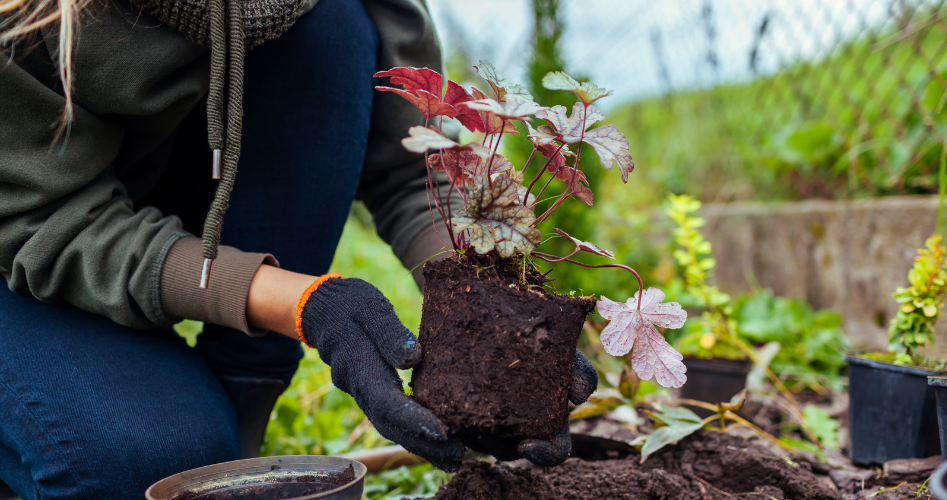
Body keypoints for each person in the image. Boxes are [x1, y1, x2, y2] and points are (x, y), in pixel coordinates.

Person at [0, 0, 598, 497]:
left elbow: (409, 173)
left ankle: (240, 416)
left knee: (333, 24)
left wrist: (499, 319)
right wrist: (309, 305)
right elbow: (43, 217)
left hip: (142, 215)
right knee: (143, 468)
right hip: (24, 241)